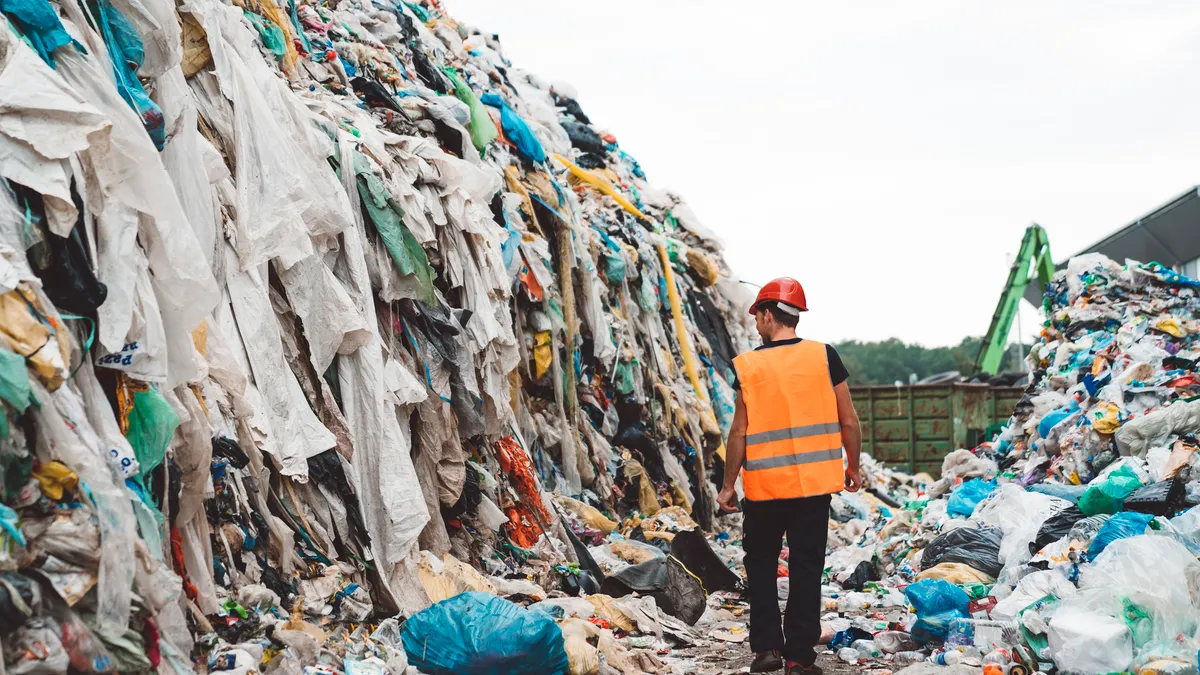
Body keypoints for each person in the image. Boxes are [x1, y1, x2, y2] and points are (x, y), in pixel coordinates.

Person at [717, 277, 863, 675]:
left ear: (768, 315)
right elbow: (848, 420)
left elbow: (739, 432)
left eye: (757, 316)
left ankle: (766, 651)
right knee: (806, 569)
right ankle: (799, 657)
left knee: (761, 567)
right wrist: (853, 466)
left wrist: (729, 485)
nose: (756, 324)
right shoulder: (824, 356)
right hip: (813, 489)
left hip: (763, 490)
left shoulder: (748, 366)